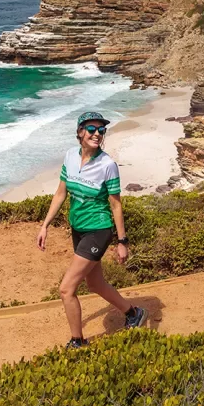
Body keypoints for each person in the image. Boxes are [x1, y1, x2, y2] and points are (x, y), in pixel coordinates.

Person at [37, 111, 147, 349]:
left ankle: (78, 342)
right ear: (80, 132)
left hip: (99, 230)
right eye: (91, 129)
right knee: (95, 284)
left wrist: (122, 241)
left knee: (66, 289)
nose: (97, 134)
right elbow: (60, 193)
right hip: (78, 229)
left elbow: (116, 205)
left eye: (101, 130)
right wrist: (44, 225)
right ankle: (133, 313)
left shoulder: (107, 165)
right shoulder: (69, 157)